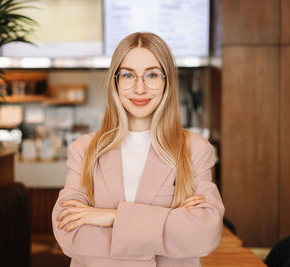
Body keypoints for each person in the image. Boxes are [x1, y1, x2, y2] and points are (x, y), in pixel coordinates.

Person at [52, 32, 225, 267]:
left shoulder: (195, 150)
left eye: (152, 75)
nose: (139, 88)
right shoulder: (83, 150)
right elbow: (70, 234)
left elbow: (204, 233)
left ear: (167, 81)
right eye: (128, 75)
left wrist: (111, 217)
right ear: (116, 81)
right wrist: (166, 228)